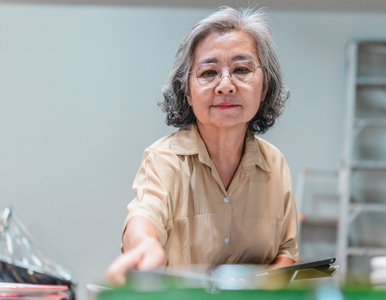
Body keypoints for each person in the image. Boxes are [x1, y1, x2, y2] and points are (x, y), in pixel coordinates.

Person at [106, 6, 298, 285]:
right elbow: (144, 216)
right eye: (208, 73)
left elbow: (286, 251)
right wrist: (145, 245)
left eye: (241, 69)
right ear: (188, 92)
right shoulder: (164, 159)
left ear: (264, 86)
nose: (225, 85)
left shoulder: (275, 164)